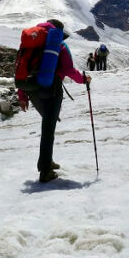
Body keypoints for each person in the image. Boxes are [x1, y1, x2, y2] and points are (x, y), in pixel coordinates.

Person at [17, 19, 91, 183]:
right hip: (51, 90)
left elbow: (23, 70)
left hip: (32, 90)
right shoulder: (60, 46)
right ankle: (45, 171)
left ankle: (47, 161)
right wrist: (84, 79)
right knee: (48, 129)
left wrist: (22, 96)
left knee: (47, 125)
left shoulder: (30, 44)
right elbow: (68, 70)